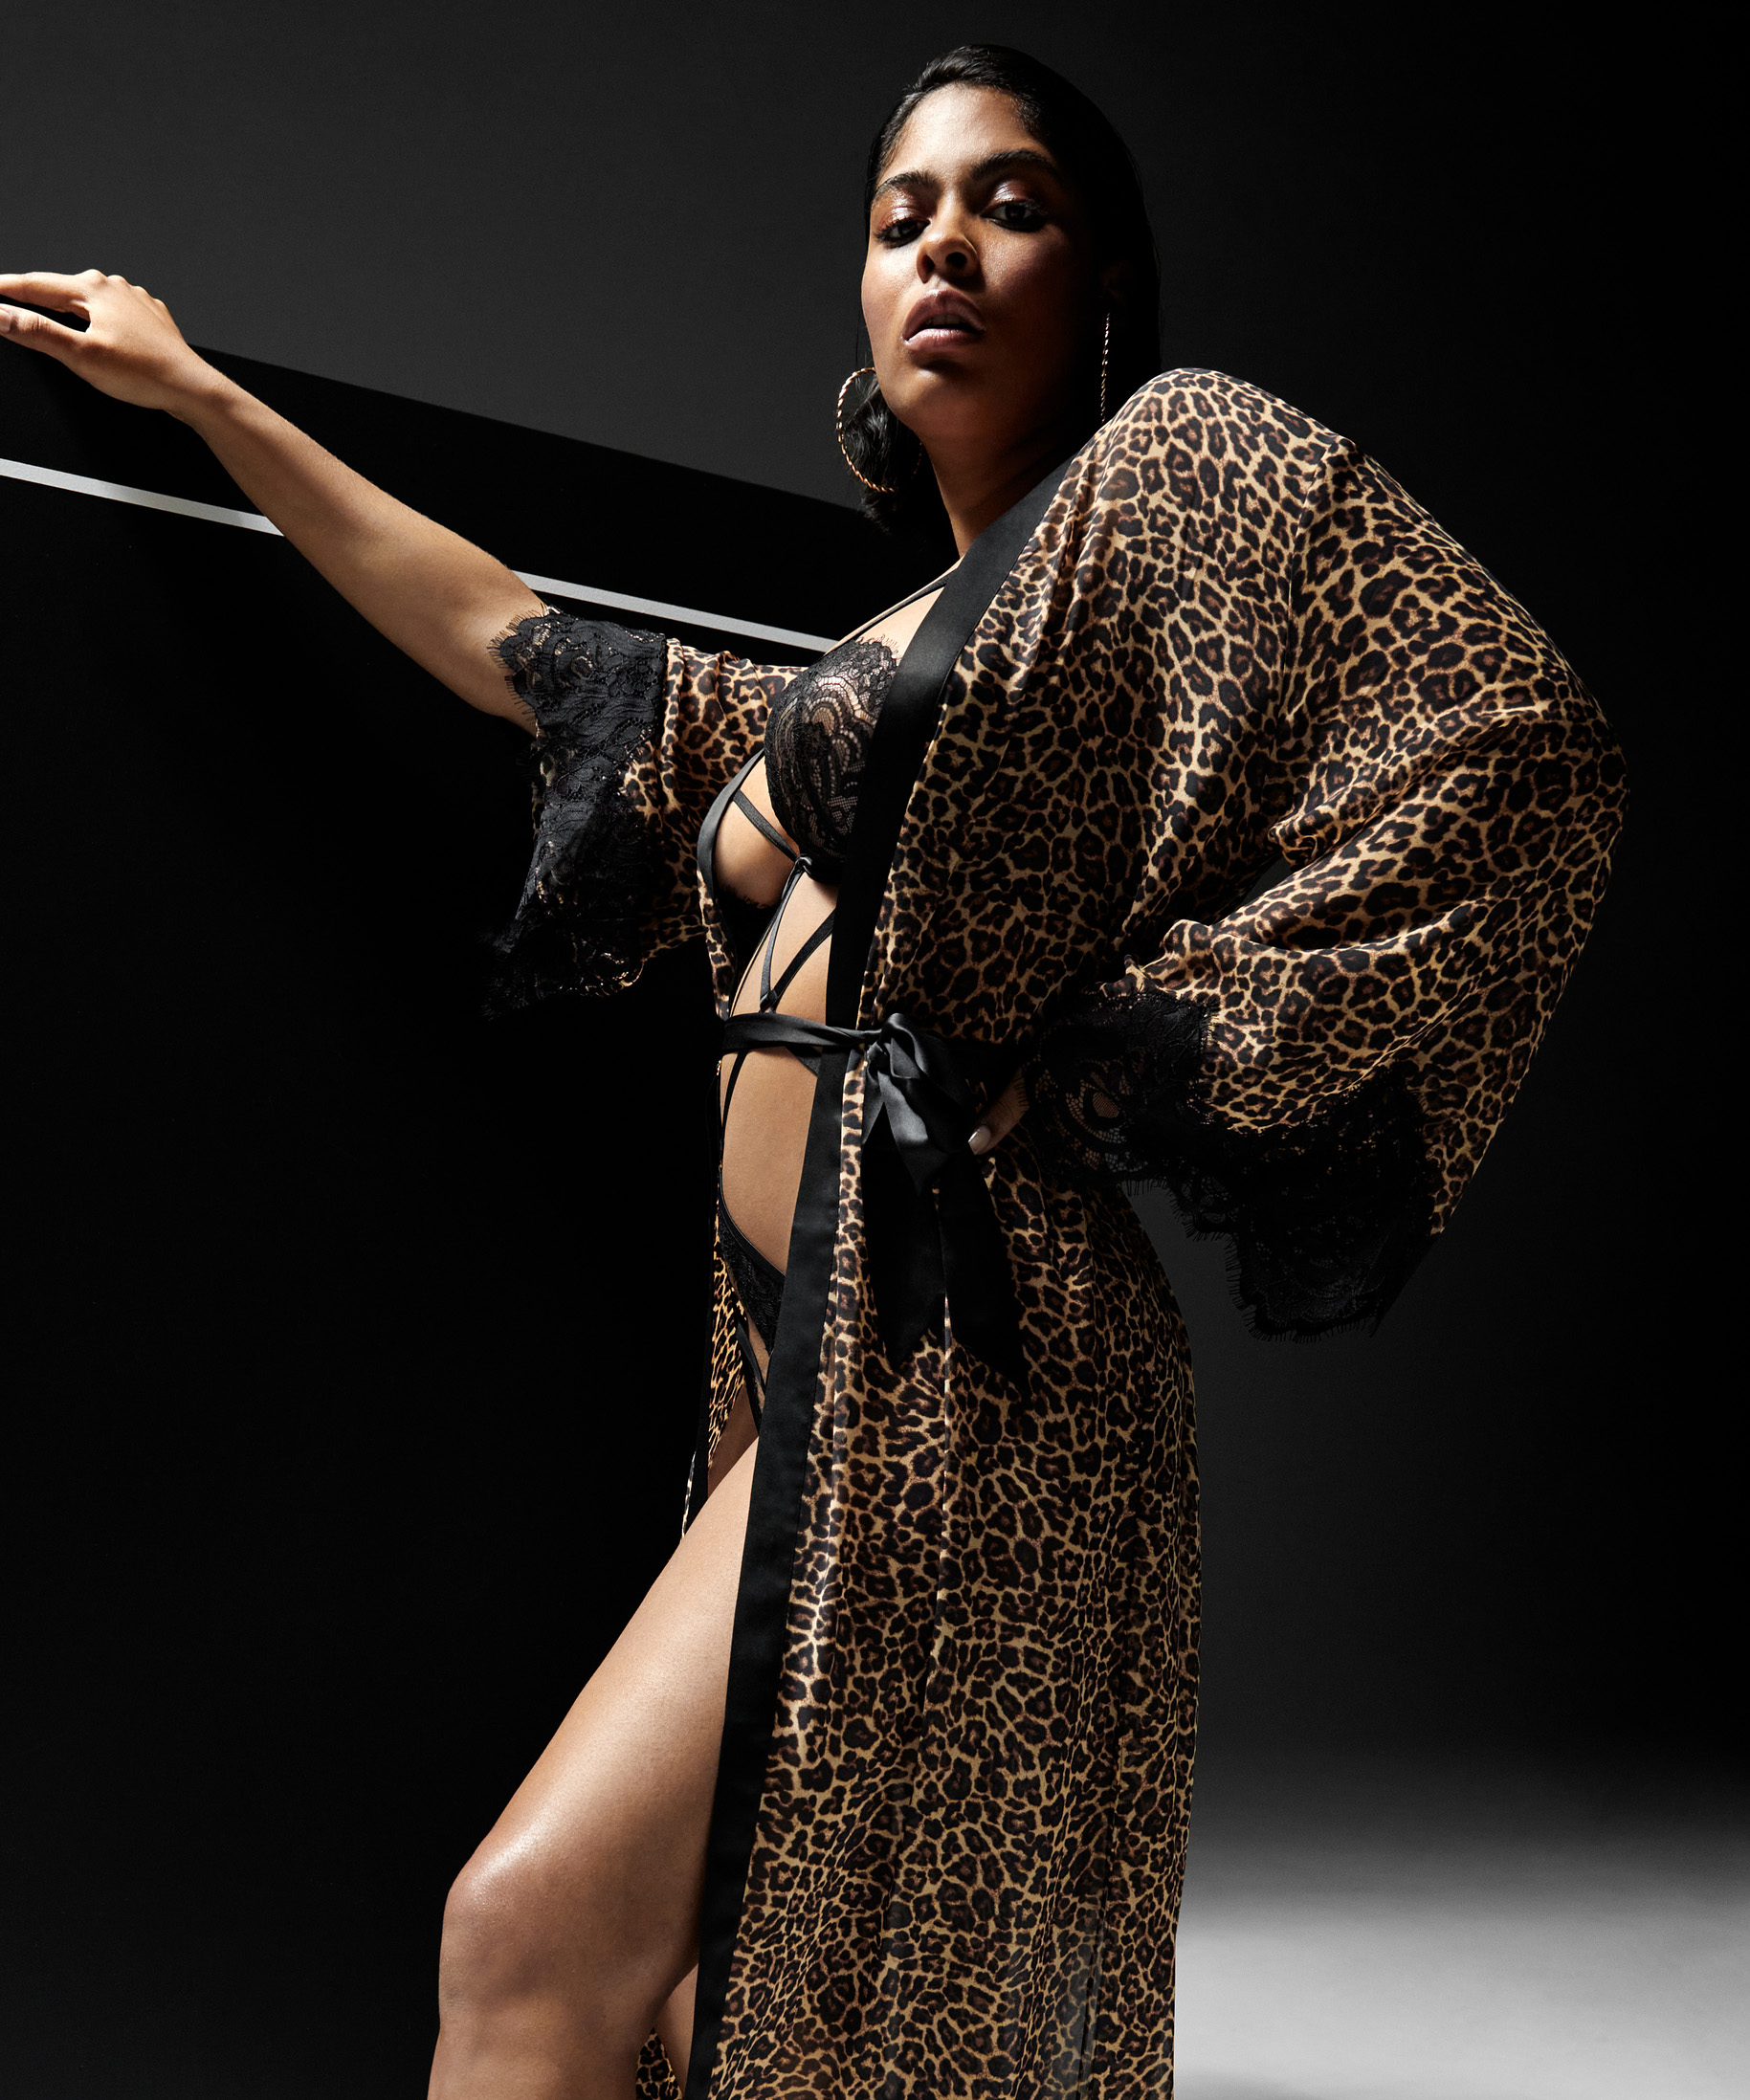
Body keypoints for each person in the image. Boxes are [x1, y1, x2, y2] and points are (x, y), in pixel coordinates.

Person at [0, 42, 1625, 2100]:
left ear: (1105, 280)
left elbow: (1520, 752)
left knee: (526, 1937)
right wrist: (204, 397)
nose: (944, 246)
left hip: (974, 1364)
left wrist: (1130, 1055)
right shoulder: (871, 656)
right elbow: (517, 645)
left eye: (1010, 205)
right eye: (898, 216)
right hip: (796, 1356)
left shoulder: (1172, 469)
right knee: (723, 2022)